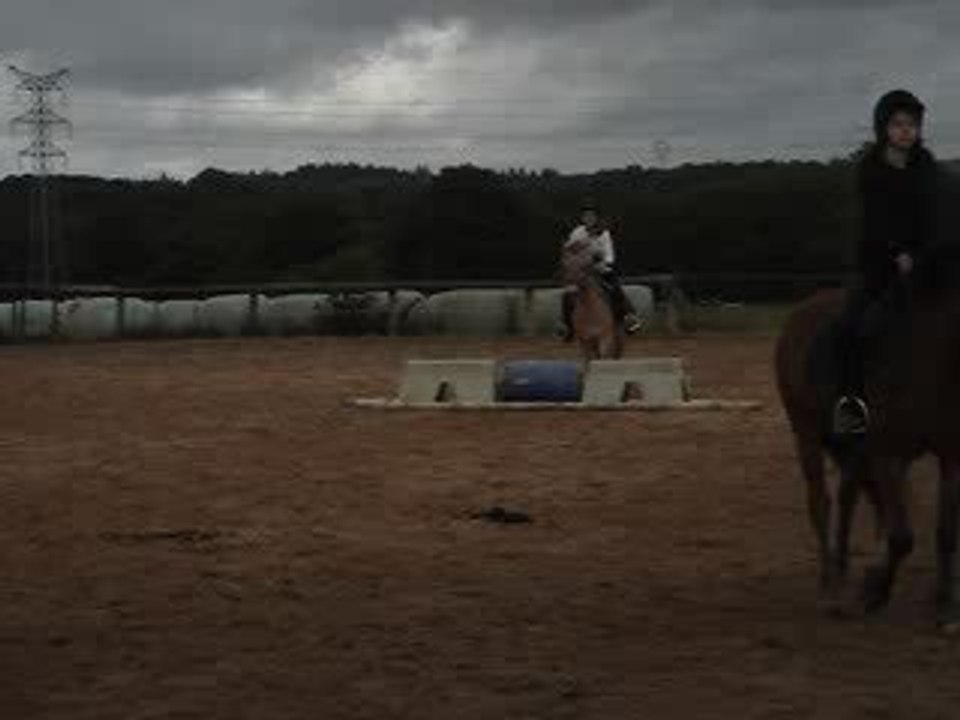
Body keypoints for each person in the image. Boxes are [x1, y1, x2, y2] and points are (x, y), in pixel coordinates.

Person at [833, 89, 939, 435]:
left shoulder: (928, 168)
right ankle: (851, 405)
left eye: (912, 124)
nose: (906, 131)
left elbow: (938, 215)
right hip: (879, 263)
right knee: (850, 326)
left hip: (927, 260)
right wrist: (897, 253)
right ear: (884, 128)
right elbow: (876, 221)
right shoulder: (870, 170)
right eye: (898, 124)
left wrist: (926, 251)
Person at [559, 201, 643, 341]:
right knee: (567, 292)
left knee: (615, 287)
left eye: (591, 216)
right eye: (586, 216)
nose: (588, 219)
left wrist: (602, 263)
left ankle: (629, 317)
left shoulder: (604, 234)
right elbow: (569, 249)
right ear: (582, 218)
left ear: (596, 218)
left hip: (600, 268)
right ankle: (567, 326)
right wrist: (572, 248)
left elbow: (610, 255)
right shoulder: (577, 232)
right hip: (581, 270)